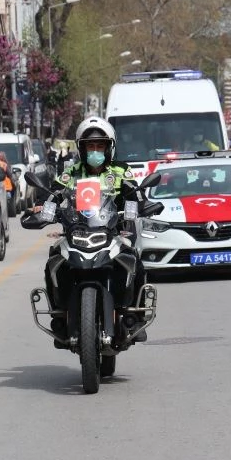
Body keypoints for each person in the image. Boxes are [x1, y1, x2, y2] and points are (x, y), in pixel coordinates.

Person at [23, 116, 149, 342]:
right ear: (81, 148)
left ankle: (136, 314)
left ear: (109, 147)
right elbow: (54, 192)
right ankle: (59, 315)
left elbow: (135, 191)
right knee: (53, 259)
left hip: (116, 230)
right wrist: (43, 206)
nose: (95, 150)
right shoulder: (71, 172)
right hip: (77, 230)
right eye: (90, 146)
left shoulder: (121, 170)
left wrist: (142, 203)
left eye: (100, 145)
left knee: (135, 260)